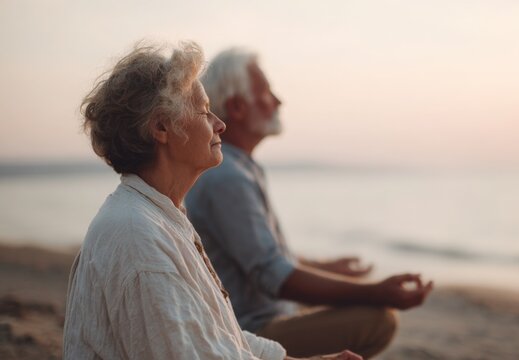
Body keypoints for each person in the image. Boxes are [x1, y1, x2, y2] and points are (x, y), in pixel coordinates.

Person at [63, 41, 361, 360]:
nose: (219, 124)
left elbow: (217, 334)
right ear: (162, 127)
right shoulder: (138, 236)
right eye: (204, 111)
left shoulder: (157, 215)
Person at [185, 48, 434, 359]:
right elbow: (272, 275)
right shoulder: (228, 177)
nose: (278, 101)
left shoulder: (235, 169)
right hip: (249, 332)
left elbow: (262, 255)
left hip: (264, 315)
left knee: (357, 301)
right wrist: (376, 292)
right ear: (237, 107)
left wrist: (327, 267)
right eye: (266, 92)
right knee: (378, 320)